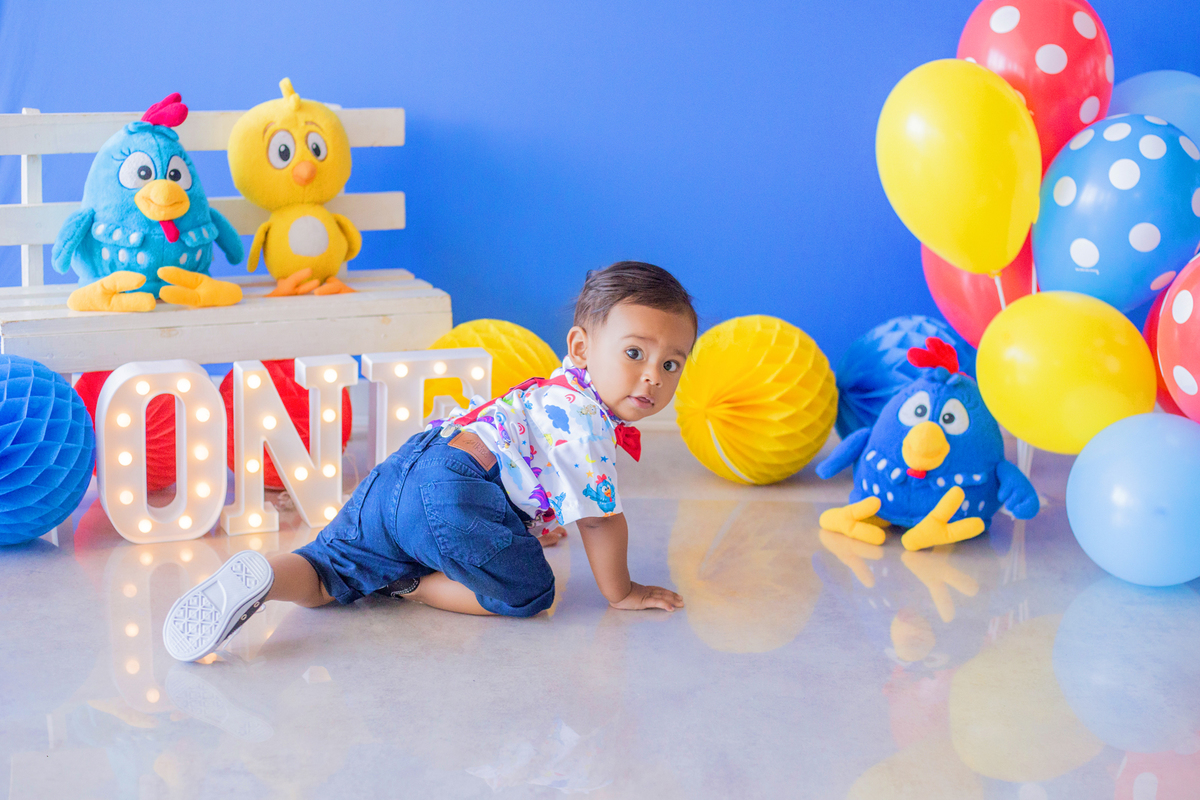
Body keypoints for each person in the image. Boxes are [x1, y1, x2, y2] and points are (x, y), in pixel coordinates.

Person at [163, 261, 696, 662]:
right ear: (581, 346)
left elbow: (526, 465)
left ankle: (263, 576)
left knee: (329, 569)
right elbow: (600, 519)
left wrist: (524, 520)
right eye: (635, 353)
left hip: (413, 462)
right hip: (456, 495)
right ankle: (406, 583)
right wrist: (621, 590)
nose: (653, 375)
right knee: (529, 591)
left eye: (671, 364)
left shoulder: (554, 389)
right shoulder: (588, 422)